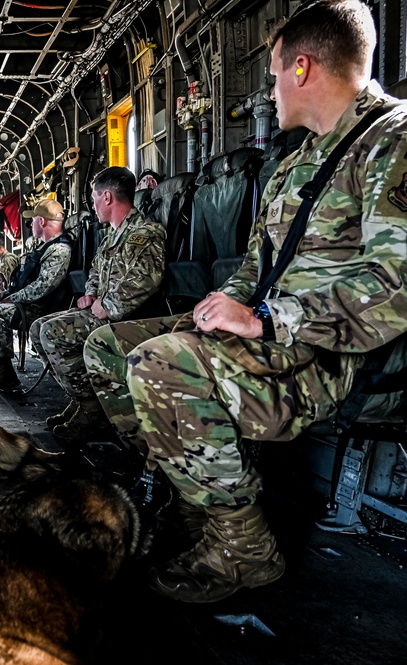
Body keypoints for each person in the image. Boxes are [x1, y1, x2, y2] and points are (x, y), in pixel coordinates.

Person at [82, 0, 407, 603]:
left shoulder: (394, 141)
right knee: (106, 346)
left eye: (275, 73)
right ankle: (191, 490)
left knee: (158, 365)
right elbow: (257, 266)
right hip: (272, 336)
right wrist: (220, 305)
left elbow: (396, 285)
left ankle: (243, 545)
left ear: (303, 68)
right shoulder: (298, 162)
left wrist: (263, 319)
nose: (272, 89)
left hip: (334, 357)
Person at [29, 167, 165, 441]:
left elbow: (146, 280)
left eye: (93, 198)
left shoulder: (146, 232)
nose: (92, 205)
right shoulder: (110, 238)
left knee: (52, 333)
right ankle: (83, 398)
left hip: (127, 318)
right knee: (37, 328)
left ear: (107, 198)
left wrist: (108, 305)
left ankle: (93, 409)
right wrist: (90, 294)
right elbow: (95, 272)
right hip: (100, 310)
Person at [0, 198, 72, 391]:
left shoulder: (59, 250)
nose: (30, 224)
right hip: (28, 304)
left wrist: (13, 298)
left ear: (42, 222)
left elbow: (43, 287)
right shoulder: (42, 248)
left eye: (33, 220)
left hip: (40, 309)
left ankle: (5, 372)